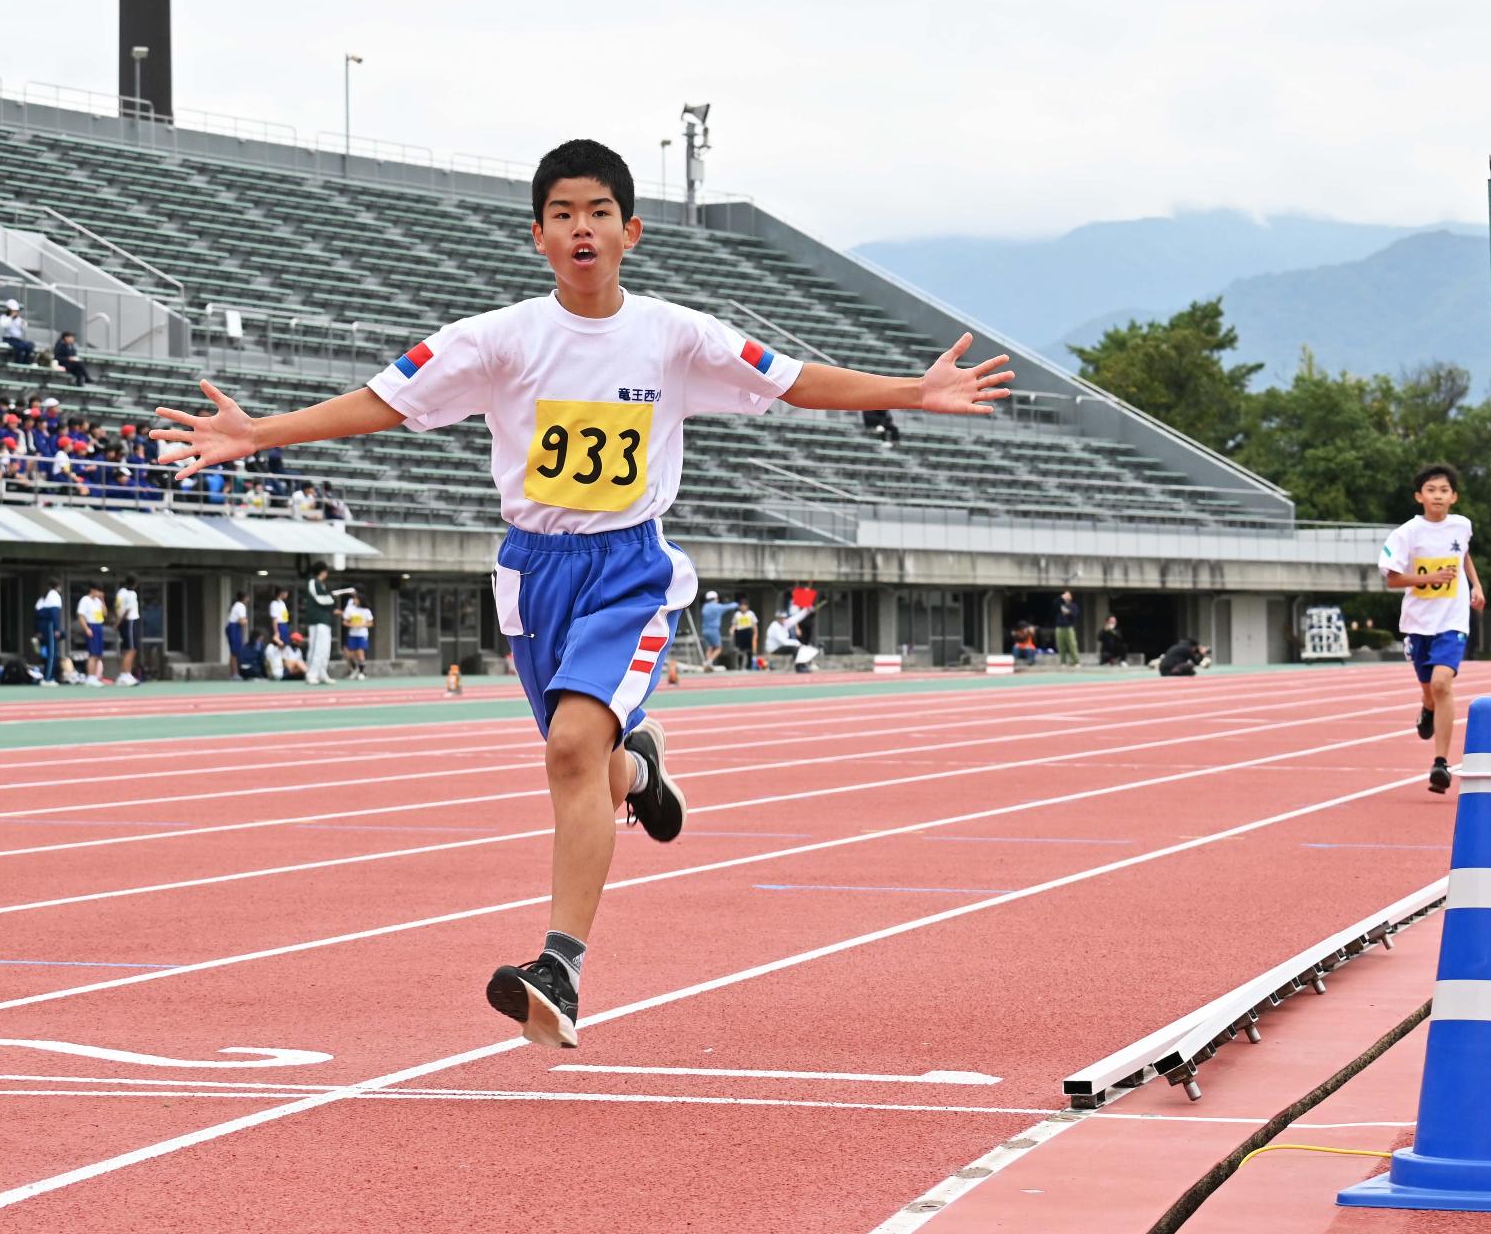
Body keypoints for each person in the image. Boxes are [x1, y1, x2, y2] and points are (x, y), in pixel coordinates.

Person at [149, 138, 1011, 1048]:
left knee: (568, 748)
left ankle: (559, 965)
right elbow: (385, 400)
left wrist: (909, 391)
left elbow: (791, 381)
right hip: (534, 575)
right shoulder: (496, 339)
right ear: (538, 236)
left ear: (630, 231)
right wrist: (262, 434)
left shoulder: (676, 335)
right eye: (562, 214)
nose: (581, 227)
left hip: (628, 569)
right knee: (587, 766)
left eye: (598, 211)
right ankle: (640, 771)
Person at [1378, 462, 1484, 795]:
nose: (1437, 496)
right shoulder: (1407, 534)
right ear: (1419, 496)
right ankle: (1427, 708)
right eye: (1431, 490)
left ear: (1454, 497)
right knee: (1429, 690)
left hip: (1452, 620)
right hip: (1419, 622)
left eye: (1444, 490)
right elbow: (1392, 579)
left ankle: (1441, 763)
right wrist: (1429, 578)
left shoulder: (1461, 525)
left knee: (1442, 683)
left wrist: (1476, 585)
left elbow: (1463, 554)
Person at [300, 562, 346, 685]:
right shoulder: (313, 582)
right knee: (317, 648)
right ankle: (311, 675)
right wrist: (331, 597)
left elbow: (326, 602)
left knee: (325, 649)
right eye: (326, 571)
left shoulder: (321, 584)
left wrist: (332, 605)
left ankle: (322, 673)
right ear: (322, 571)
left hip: (325, 621)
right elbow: (320, 599)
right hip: (317, 622)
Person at [75, 583, 108, 685]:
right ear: (92, 590)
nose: (99, 593)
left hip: (99, 626)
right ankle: (90, 676)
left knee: (98, 654)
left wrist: (102, 600)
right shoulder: (85, 600)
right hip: (91, 626)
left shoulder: (98, 601)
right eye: (98, 591)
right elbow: (80, 616)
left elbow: (105, 613)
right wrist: (86, 629)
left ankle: (94, 676)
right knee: (93, 654)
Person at [35, 579, 64, 686]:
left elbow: (38, 615)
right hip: (50, 625)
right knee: (52, 653)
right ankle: (48, 678)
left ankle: (48, 676)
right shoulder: (54, 596)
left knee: (48, 653)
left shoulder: (45, 597)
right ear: (58, 586)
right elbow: (54, 613)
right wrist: (57, 628)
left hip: (44, 626)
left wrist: (38, 630)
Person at [115, 574, 142, 685]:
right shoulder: (132, 594)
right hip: (130, 621)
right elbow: (127, 610)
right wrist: (118, 622)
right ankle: (125, 674)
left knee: (127, 649)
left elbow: (117, 608)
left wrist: (118, 622)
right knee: (131, 649)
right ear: (135, 583)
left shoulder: (120, 592)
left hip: (124, 622)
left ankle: (125, 674)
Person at [225, 588, 254, 679]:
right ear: (245, 597)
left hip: (233, 628)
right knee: (235, 652)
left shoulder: (236, 605)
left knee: (234, 652)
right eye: (248, 597)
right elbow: (242, 621)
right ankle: (234, 673)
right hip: (234, 628)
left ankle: (234, 673)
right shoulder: (241, 606)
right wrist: (246, 621)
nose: (248, 599)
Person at [698, 589, 728, 672]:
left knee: (710, 647)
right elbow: (728, 607)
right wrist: (736, 604)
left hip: (705, 630)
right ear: (715, 598)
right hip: (714, 630)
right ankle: (709, 662)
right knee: (718, 648)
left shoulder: (705, 607)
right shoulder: (717, 606)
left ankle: (708, 664)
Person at [0, 300, 35, 365]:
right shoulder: (4, 317)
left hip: (17, 340)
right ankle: (18, 364)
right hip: (8, 339)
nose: (15, 313)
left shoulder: (19, 319)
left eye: (16, 311)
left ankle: (26, 363)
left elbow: (24, 328)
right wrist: (11, 317)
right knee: (20, 347)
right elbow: (3, 325)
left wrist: (23, 324)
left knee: (30, 345)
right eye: (13, 311)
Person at [730, 595, 759, 671]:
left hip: (748, 631)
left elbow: (754, 625)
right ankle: (740, 666)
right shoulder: (737, 614)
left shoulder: (751, 614)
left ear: (747, 606)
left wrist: (756, 634)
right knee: (740, 650)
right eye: (741, 605)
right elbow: (734, 624)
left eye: (744, 605)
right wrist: (732, 630)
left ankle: (749, 666)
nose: (743, 607)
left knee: (749, 650)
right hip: (740, 632)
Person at [1054, 590, 1081, 667]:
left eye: (1068, 595)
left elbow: (1075, 615)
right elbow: (1054, 603)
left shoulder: (1074, 606)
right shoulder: (1059, 604)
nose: (1066, 596)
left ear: (1071, 597)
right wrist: (1061, 597)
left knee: (1072, 645)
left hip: (1069, 627)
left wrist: (1069, 612)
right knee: (1061, 645)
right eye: (1065, 595)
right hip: (1059, 627)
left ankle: (1076, 662)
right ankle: (1063, 662)